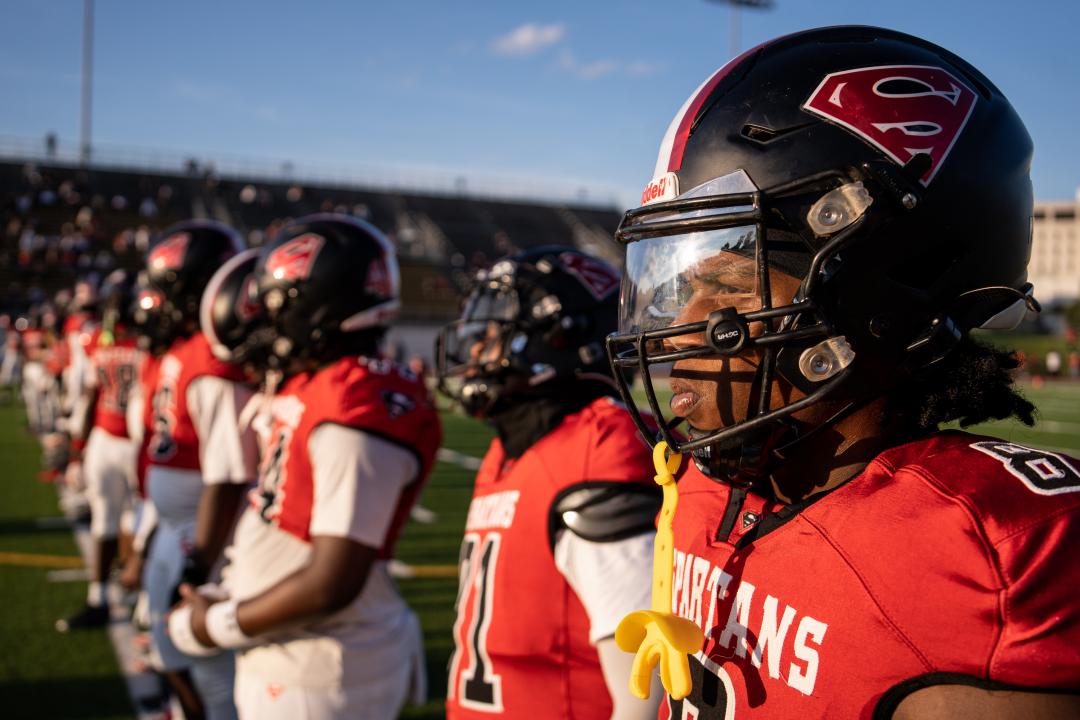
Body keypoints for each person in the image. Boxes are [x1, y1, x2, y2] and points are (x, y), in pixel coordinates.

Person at [604, 26, 1080, 719]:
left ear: (888, 284)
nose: (686, 326)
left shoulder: (973, 559)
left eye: (732, 285)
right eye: (683, 283)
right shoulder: (711, 489)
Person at [168, 214, 441, 720]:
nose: (264, 323)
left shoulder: (357, 401)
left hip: (322, 664)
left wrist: (218, 624)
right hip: (290, 650)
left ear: (314, 306)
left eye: (273, 308)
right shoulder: (316, 385)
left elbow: (332, 580)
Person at [436, 247, 664, 719]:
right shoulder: (513, 447)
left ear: (557, 337)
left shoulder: (596, 446)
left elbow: (645, 694)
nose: (476, 348)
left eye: (496, 333)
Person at [141, 219, 258, 720]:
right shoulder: (184, 351)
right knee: (167, 648)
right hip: (173, 525)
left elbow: (229, 475)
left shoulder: (215, 362)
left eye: (169, 291)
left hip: (203, 535)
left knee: (209, 668)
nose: (157, 303)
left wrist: (198, 563)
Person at [56, 269, 146, 632]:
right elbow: (92, 394)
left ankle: (119, 596)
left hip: (122, 441)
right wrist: (79, 449)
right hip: (117, 440)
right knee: (119, 520)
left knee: (124, 521)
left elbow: (92, 394)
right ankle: (109, 596)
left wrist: (79, 447)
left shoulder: (107, 340)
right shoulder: (130, 342)